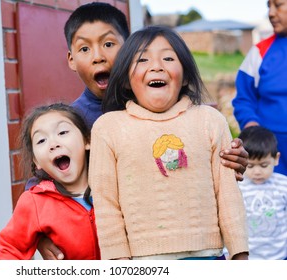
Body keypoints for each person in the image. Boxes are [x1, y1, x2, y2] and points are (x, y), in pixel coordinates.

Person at [33, 2, 249, 259]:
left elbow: (221, 185)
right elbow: (42, 179)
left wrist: (234, 159)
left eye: (109, 44)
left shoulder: (205, 120)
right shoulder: (71, 123)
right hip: (111, 251)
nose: (98, 56)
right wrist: (39, 231)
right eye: (84, 48)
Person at [88, 25, 249, 260]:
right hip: (143, 262)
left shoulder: (209, 120)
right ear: (124, 81)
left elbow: (228, 194)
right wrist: (118, 263)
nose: (156, 66)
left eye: (168, 58)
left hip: (208, 257)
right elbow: (106, 203)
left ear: (184, 76)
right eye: (142, 59)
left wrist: (240, 254)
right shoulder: (108, 128)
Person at [0, 103, 100, 260]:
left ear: (87, 140)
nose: (53, 144)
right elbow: (8, 249)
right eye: (41, 140)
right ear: (36, 161)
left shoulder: (112, 186)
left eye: (62, 132)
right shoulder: (34, 202)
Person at [232, 0, 287, 176]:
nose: (271, 13)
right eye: (268, 6)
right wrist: (252, 130)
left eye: (278, 5)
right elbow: (244, 100)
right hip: (269, 156)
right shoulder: (259, 52)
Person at [236, 126, 287, 260]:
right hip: (248, 258)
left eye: (264, 165)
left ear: (276, 159)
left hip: (280, 256)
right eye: (250, 166)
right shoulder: (237, 187)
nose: (257, 172)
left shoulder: (283, 185)